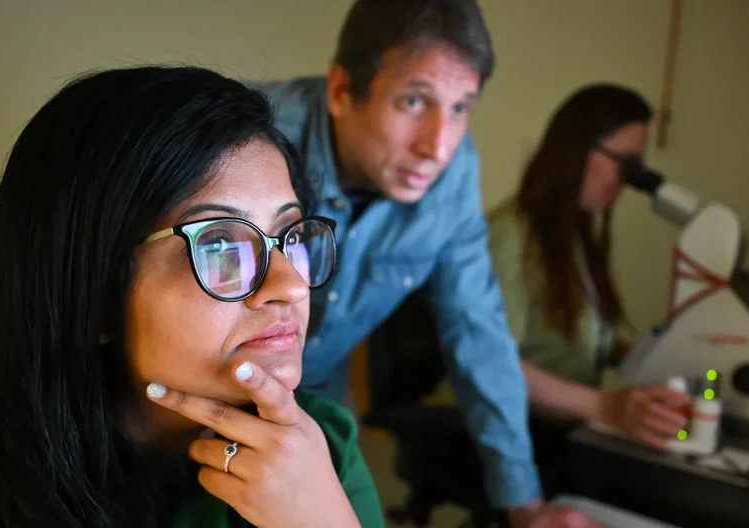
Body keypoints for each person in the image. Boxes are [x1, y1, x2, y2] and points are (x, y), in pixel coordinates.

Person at [0, 65, 385, 528]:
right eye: (221, 246)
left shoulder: (317, 450)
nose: (291, 285)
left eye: (290, 236)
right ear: (95, 292)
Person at [248, 1, 596, 526]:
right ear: (341, 90)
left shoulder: (453, 176)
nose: (438, 146)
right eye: (414, 101)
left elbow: (478, 332)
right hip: (197, 396)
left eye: (460, 108)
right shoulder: (247, 137)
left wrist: (525, 506)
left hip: (313, 398)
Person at [483, 83, 690, 493]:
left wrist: (664, 363)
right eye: (625, 163)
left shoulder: (574, 237)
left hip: (558, 424)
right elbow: (494, 366)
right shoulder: (512, 236)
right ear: (577, 150)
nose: (627, 180)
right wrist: (605, 406)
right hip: (509, 429)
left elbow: (587, 341)